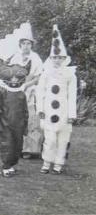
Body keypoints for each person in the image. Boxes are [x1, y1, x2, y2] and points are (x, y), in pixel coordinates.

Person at [37, 25, 77, 175]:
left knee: (63, 139)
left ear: (64, 58)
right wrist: (40, 109)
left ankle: (58, 164)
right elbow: (40, 91)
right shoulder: (46, 73)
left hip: (64, 111)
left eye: (60, 57)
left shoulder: (70, 74)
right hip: (49, 110)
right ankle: (47, 162)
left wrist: (72, 114)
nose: (57, 60)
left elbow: (72, 94)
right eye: (54, 57)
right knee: (50, 139)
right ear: (50, 58)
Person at [6, 22, 44, 159]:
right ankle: (18, 147)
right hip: (17, 90)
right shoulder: (15, 57)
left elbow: (39, 77)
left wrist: (27, 84)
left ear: (31, 45)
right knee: (17, 118)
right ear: (20, 44)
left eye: (28, 44)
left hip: (31, 91)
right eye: (24, 43)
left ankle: (30, 149)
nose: (26, 46)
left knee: (31, 119)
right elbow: (10, 74)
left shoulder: (36, 58)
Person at [0, 64, 29, 177]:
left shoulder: (21, 93)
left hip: (19, 125)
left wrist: (25, 125)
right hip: (5, 124)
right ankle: (6, 166)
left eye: (16, 78)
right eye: (12, 78)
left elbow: (25, 110)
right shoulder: (2, 91)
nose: (14, 80)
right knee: (7, 145)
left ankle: (12, 165)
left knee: (17, 146)